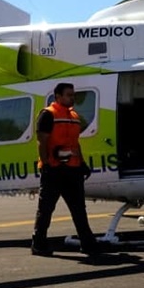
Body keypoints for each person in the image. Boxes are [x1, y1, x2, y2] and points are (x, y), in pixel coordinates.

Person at [31, 82, 99, 256]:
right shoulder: (48, 114)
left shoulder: (74, 116)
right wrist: (46, 164)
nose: (72, 98)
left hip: (72, 169)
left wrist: (82, 163)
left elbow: (75, 143)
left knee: (79, 209)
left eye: (73, 95)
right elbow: (42, 141)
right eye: (69, 95)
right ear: (58, 96)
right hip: (53, 170)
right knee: (46, 209)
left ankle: (88, 243)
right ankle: (38, 244)